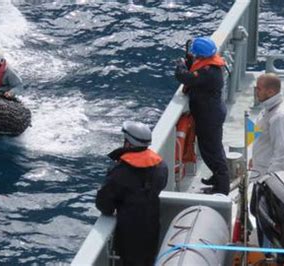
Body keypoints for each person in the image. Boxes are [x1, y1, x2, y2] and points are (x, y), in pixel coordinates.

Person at [95, 121, 168, 266]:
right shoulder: (161, 166)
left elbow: (104, 203)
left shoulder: (120, 172)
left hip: (129, 232)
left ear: (128, 144)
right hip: (152, 226)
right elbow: (161, 185)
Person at [174, 36, 230, 195]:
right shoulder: (211, 65)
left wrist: (180, 67)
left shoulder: (208, 72)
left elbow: (186, 78)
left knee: (211, 151)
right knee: (214, 149)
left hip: (209, 117)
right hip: (212, 113)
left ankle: (222, 188)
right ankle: (218, 177)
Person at [249, 73, 284, 175]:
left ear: (270, 92)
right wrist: (255, 159)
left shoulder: (280, 117)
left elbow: (283, 155)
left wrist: (268, 180)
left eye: (259, 89)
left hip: (267, 177)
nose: (256, 92)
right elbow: (264, 139)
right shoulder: (268, 108)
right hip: (259, 170)